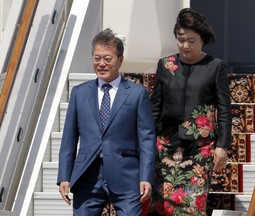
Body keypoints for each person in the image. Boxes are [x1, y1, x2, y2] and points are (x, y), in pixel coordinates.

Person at [57, 28, 156, 216]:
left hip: (126, 176)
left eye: (107, 59)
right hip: (87, 176)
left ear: (120, 60)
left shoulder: (137, 94)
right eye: (97, 58)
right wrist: (64, 176)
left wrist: (146, 177)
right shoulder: (79, 93)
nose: (101, 64)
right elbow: (68, 139)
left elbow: (147, 139)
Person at [148, 8, 232, 216]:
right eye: (181, 39)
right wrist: (146, 142)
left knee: (191, 205)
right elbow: (154, 107)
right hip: (165, 146)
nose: (185, 45)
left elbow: (224, 109)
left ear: (202, 40)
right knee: (163, 204)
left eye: (191, 41)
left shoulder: (215, 67)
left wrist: (222, 146)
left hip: (199, 150)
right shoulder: (165, 65)